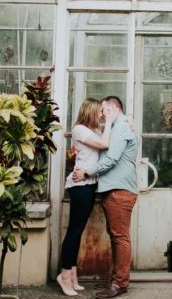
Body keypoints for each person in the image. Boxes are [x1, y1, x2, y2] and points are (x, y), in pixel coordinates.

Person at [73, 95, 138, 299]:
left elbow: (110, 160)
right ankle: (117, 280)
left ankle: (120, 284)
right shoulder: (118, 127)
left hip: (120, 191)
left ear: (112, 108)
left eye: (103, 110)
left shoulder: (120, 128)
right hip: (115, 190)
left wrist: (86, 172)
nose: (101, 115)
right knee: (117, 236)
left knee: (120, 237)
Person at [57, 98, 112, 297]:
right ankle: (64, 276)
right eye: (99, 111)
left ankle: (72, 275)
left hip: (89, 184)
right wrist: (110, 120)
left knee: (77, 231)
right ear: (90, 111)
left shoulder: (94, 131)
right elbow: (105, 144)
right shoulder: (80, 129)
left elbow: (107, 141)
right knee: (74, 231)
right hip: (80, 186)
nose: (102, 114)